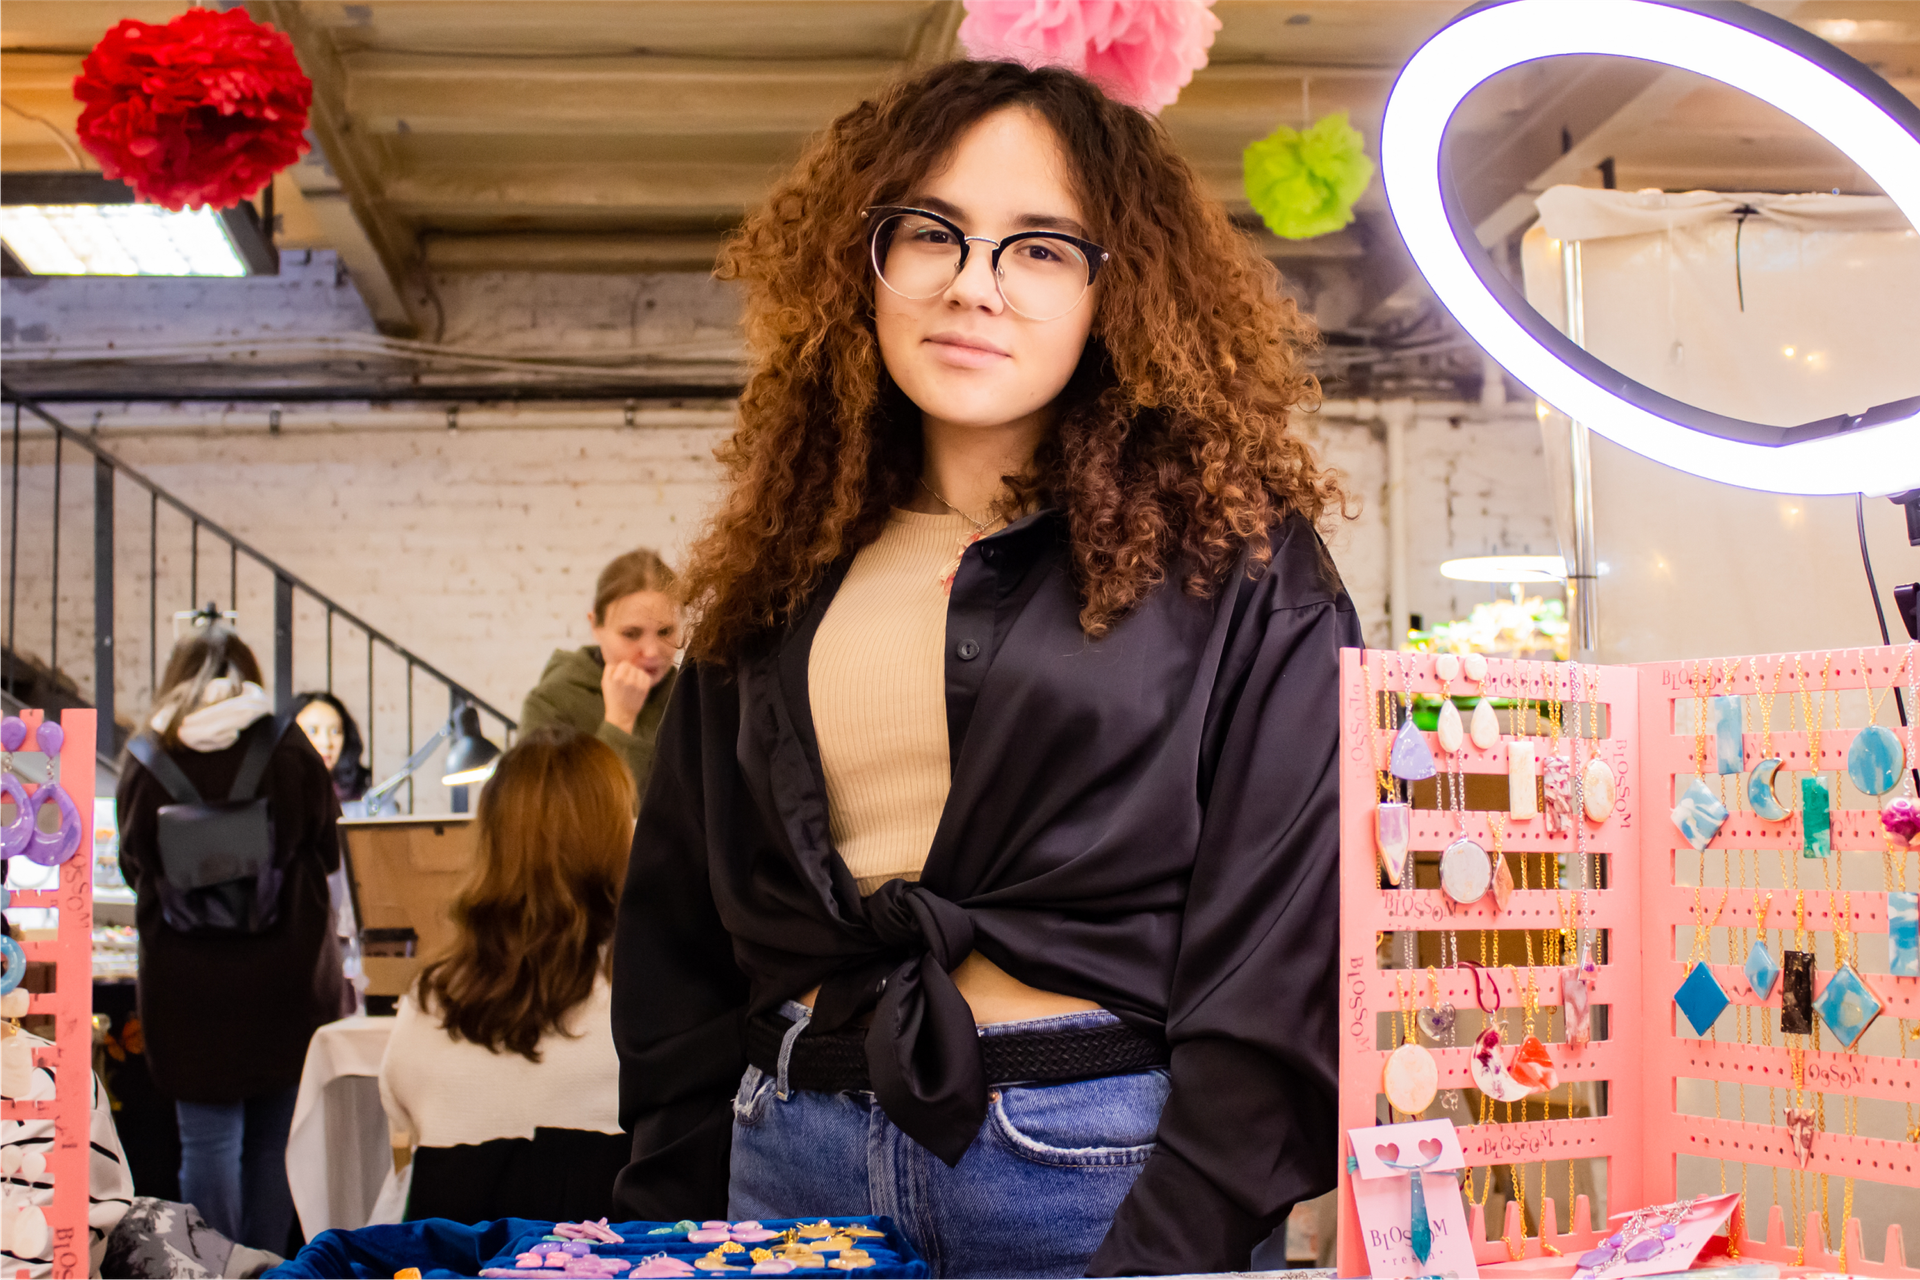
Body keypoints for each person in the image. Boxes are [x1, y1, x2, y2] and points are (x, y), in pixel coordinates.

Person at [610, 60, 1356, 1280]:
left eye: (1041, 248)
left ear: (1120, 288)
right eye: (931, 232)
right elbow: (678, 931)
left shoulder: (1240, 569)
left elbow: (1287, 945)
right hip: (786, 1155)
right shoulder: (776, 571)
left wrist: (1178, 1237)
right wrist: (669, 1215)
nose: (973, 283)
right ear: (863, 263)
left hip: (1099, 1172)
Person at [116, 624, 344, 1254]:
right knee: (275, 1143)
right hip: (286, 980)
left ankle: (212, 1270)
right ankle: (267, 1269)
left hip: (185, 986)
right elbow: (328, 849)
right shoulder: (288, 744)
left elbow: (134, 864)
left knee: (206, 1142)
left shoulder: (147, 753)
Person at [377, 728, 634, 1224]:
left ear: (491, 842)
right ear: (622, 839)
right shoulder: (649, 1007)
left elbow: (403, 1115)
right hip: (613, 1253)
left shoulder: (430, 1001)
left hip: (453, 1256)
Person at [521, 549, 682, 793]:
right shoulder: (551, 702)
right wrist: (620, 720)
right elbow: (545, 808)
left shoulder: (690, 696)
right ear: (595, 625)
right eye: (631, 634)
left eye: (665, 632)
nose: (651, 651)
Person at [289, 692, 371, 809]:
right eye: (313, 731)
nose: (326, 743)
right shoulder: (271, 793)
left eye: (335, 732)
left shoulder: (366, 799)